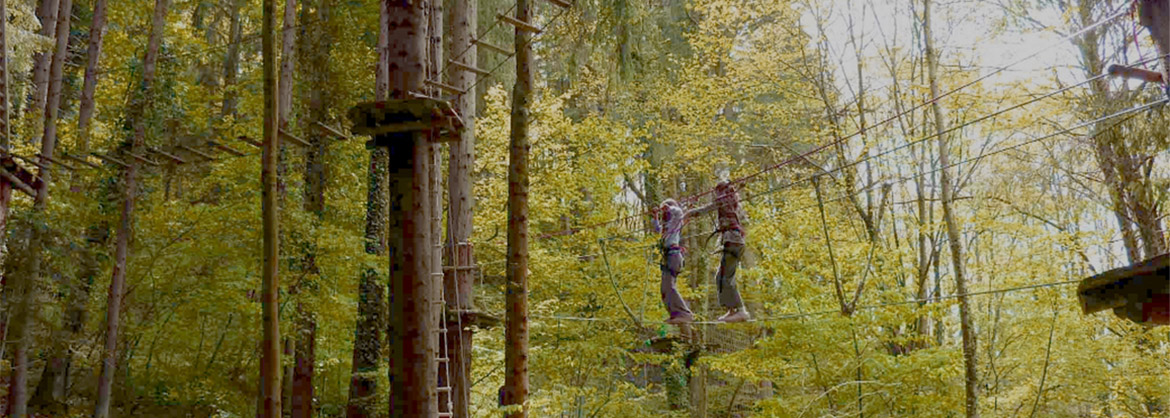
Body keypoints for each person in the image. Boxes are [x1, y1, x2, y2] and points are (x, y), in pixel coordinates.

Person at [690, 181, 751, 323]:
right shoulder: (730, 202)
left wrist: (688, 213)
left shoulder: (725, 200)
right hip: (733, 242)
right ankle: (731, 310)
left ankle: (741, 311)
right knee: (720, 277)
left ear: (720, 191)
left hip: (733, 242)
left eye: (717, 191)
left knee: (727, 278)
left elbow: (705, 209)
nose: (715, 194)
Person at [657, 199, 694, 324]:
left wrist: (669, 207)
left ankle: (684, 313)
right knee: (664, 289)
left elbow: (678, 212)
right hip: (668, 258)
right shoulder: (666, 227)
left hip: (674, 256)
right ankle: (675, 314)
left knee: (669, 286)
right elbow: (657, 229)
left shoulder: (676, 222)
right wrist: (655, 217)